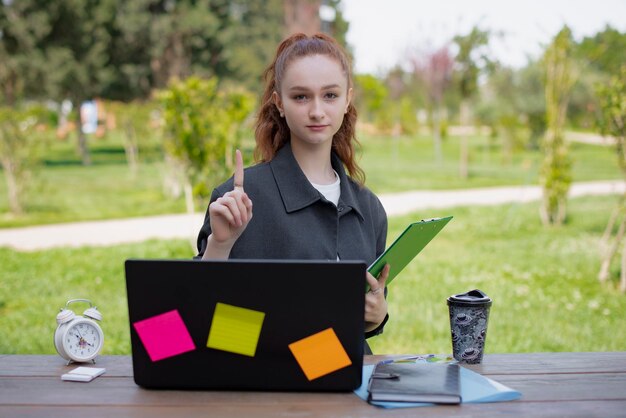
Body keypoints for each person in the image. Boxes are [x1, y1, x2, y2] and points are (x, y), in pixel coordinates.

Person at [196, 33, 390, 353]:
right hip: (261, 383)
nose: (317, 111)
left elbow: (364, 318)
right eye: (301, 97)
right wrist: (220, 243)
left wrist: (377, 314)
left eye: (330, 95)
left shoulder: (369, 209)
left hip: (346, 387)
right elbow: (202, 318)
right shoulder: (236, 198)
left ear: (347, 100)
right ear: (279, 103)